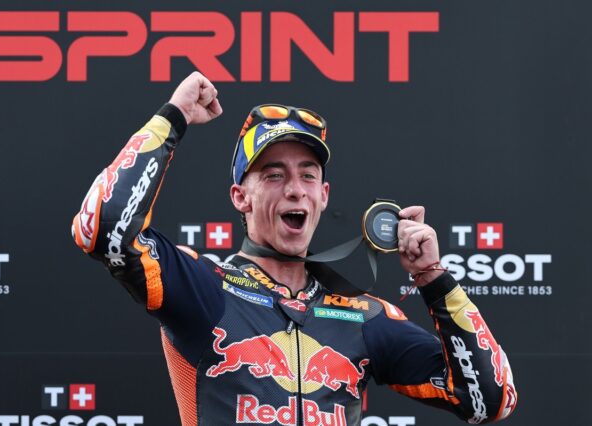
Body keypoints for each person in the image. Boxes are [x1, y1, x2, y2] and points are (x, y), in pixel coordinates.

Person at [72, 72, 517, 425]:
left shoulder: (362, 315)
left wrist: (434, 278)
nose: (295, 189)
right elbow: (102, 228)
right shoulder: (205, 289)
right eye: (273, 175)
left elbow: (489, 400)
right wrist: (173, 117)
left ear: (323, 195)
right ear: (240, 197)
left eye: (307, 175)